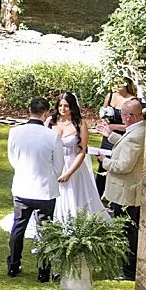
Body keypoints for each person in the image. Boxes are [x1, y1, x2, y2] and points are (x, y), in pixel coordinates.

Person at [6, 97, 64, 281]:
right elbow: (59, 166)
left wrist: (24, 171)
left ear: (28, 110)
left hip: (22, 187)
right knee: (45, 230)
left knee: (18, 227)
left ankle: (13, 265)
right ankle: (43, 271)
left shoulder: (15, 132)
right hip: (44, 191)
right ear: (46, 113)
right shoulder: (52, 136)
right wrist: (47, 175)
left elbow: (12, 159)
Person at [97, 99, 146, 279]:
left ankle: (129, 270)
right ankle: (126, 267)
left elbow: (125, 165)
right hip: (126, 191)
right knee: (126, 230)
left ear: (130, 117)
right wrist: (110, 136)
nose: (123, 118)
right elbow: (125, 147)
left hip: (126, 193)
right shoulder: (138, 131)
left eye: (124, 115)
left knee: (127, 232)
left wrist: (105, 161)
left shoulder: (137, 135)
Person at [54, 92, 107, 222]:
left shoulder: (80, 123)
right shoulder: (52, 121)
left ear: (72, 106)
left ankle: (74, 222)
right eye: (60, 106)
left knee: (74, 194)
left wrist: (68, 173)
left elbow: (82, 151)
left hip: (73, 163)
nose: (62, 109)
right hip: (54, 162)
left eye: (66, 106)